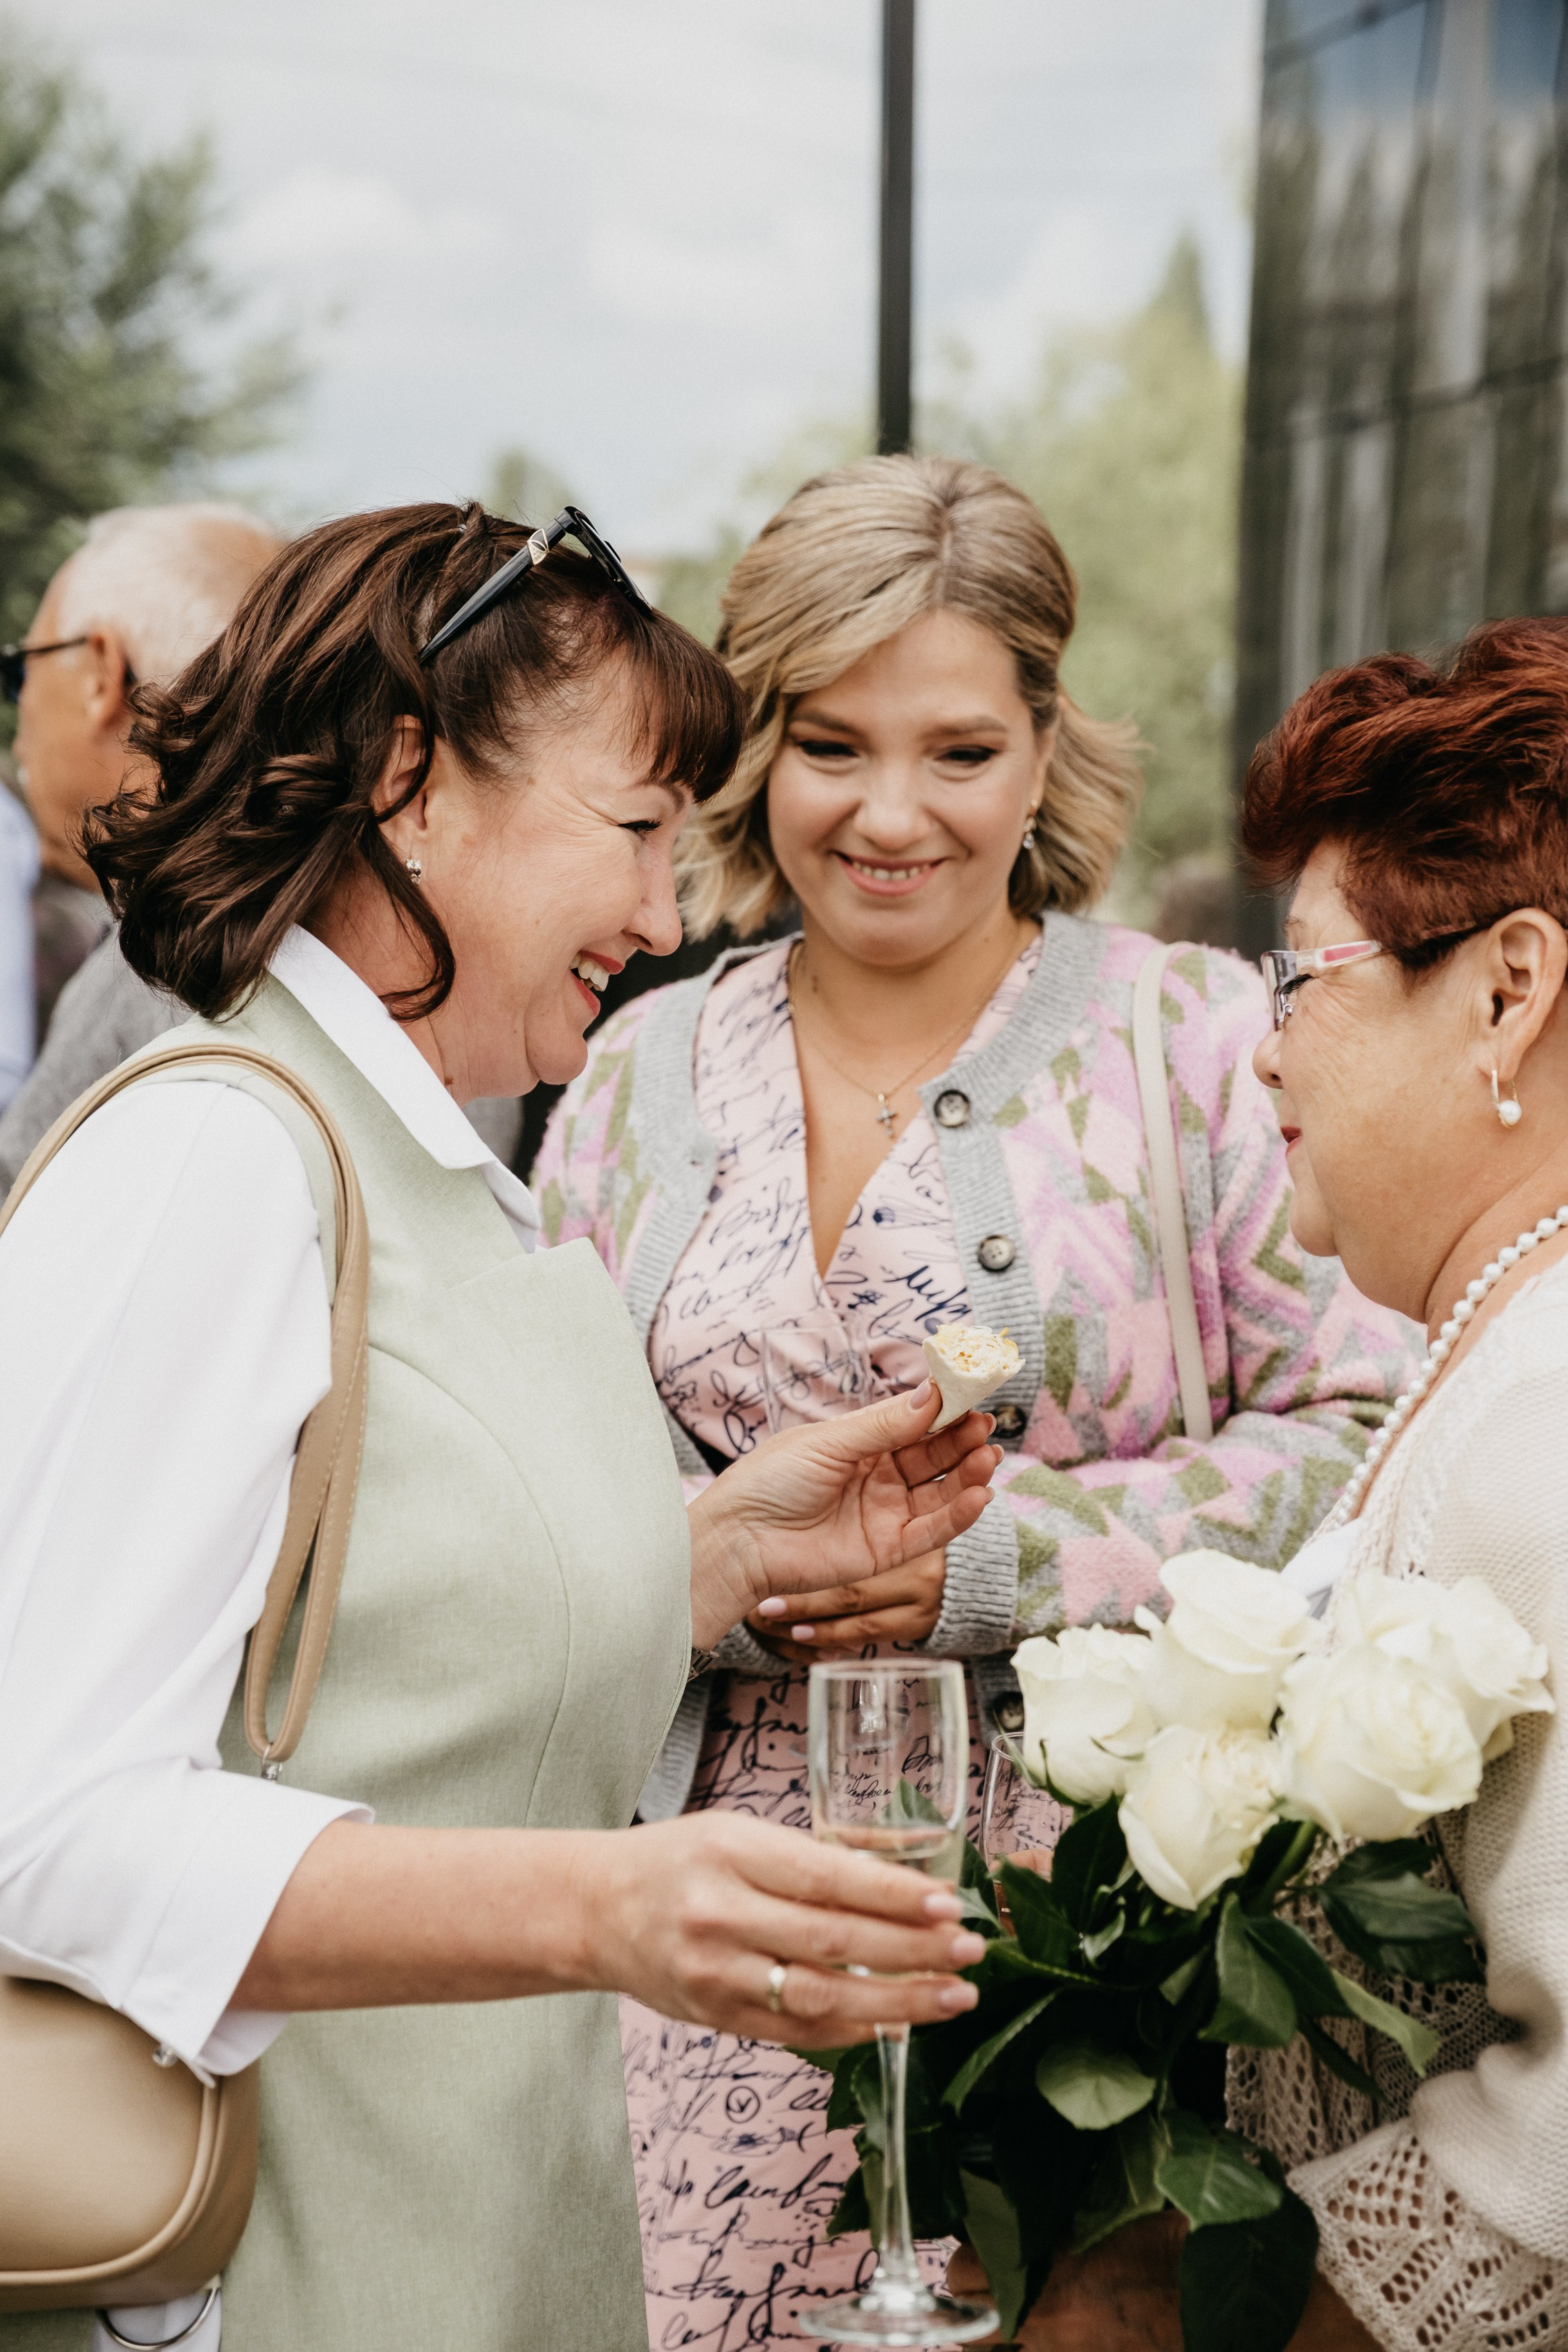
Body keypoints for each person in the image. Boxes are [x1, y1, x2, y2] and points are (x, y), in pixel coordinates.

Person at [0, 501, 1006, 2352]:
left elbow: (393, 1633)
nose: (663, 915)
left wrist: (718, 1553)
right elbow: (40, 1827)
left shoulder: (439, 1169)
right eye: (632, 832)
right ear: (406, 783)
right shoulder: (211, 1159)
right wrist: (608, 1907)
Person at [533, 452, 1414, 2343]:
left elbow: (1363, 1434)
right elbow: (539, 1499)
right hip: (712, 1922)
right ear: (758, 746)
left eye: (957, 750)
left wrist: (996, 1564)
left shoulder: (1190, 1043)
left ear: (1045, 751)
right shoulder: (633, 1070)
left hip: (1108, 1935)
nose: (889, 814)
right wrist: (699, 1562)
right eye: (831, 745)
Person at [957, 614, 1568, 2348]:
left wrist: (1211, 2307)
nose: (1254, 1053)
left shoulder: (1535, 1432)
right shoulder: (1479, 1360)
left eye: (1290, 979)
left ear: (1504, 991)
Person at [0, 506, 282, 1182]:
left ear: (102, 671)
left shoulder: (165, 957)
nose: (19, 715)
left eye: (22, 672)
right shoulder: (372, 942)